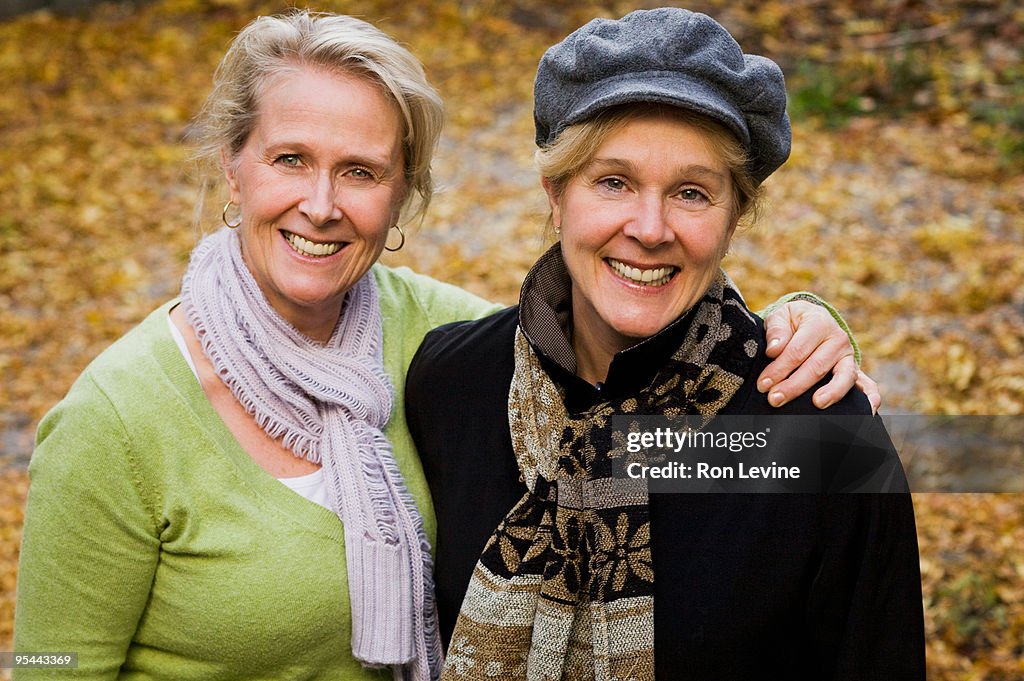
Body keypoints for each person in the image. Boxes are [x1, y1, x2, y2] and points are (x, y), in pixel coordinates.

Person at [16, 9, 877, 681]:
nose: (322, 203)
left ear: (400, 197)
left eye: (360, 170)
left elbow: (614, 324)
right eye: (288, 158)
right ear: (232, 167)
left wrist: (794, 324)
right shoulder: (119, 416)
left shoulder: (434, 345)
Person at [406, 8, 924, 680]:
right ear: (556, 194)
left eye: (690, 192)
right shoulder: (451, 383)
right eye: (613, 181)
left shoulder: (827, 440)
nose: (649, 228)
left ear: (734, 214)